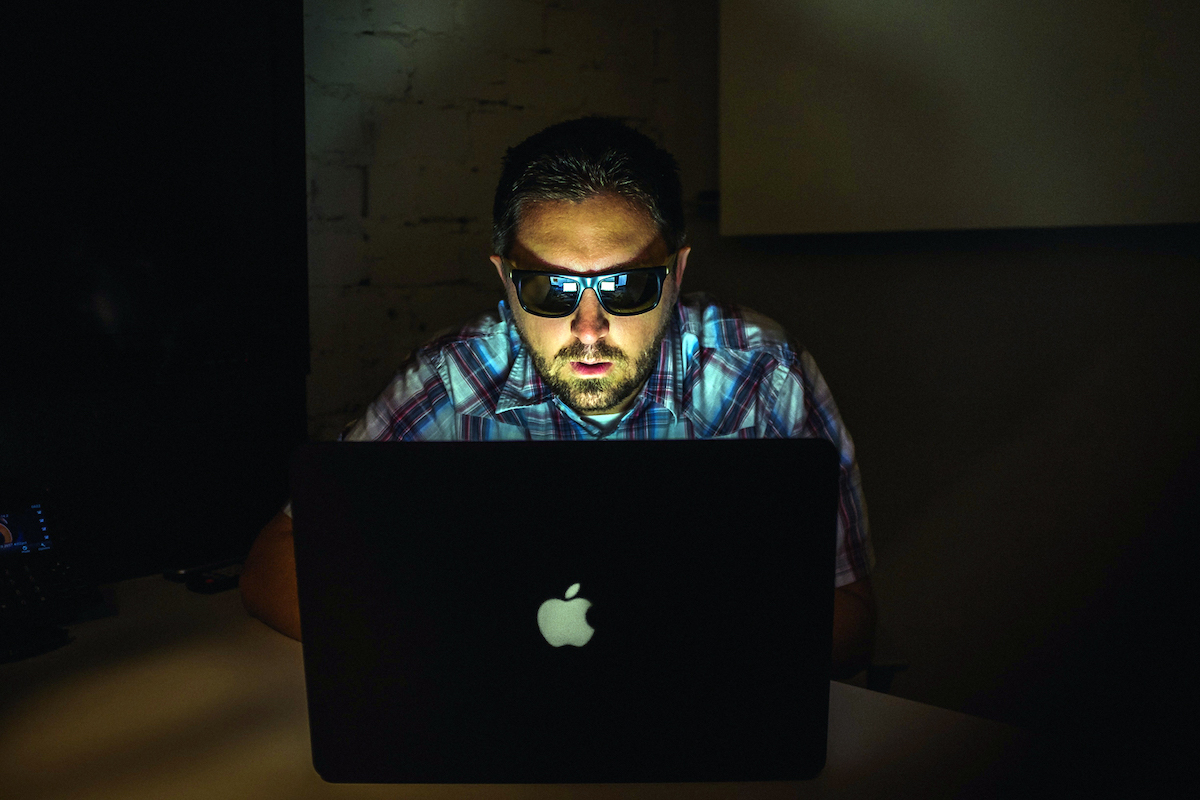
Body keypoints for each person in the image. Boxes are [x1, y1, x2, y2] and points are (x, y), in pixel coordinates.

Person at [241, 116, 877, 677]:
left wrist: (666, 661)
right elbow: (274, 565)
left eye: (627, 286)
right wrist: (453, 649)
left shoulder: (764, 374)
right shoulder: (453, 380)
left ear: (677, 274)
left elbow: (849, 620)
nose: (588, 328)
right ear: (505, 282)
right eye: (550, 290)